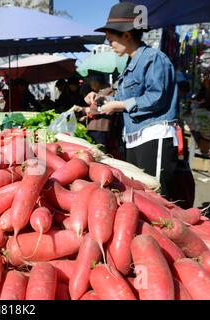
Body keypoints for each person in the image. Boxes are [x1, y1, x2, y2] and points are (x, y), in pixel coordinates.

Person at [87, 2, 179, 199]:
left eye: (111, 40)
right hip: (134, 135)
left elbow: (157, 97)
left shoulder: (153, 58)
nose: (110, 45)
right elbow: (123, 99)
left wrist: (119, 105)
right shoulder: (130, 64)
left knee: (157, 196)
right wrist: (102, 99)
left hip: (155, 135)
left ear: (126, 35)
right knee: (141, 193)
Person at [75, 72, 114, 153]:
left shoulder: (108, 92)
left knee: (101, 152)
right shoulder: (100, 92)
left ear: (96, 83)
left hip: (100, 128)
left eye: (91, 84)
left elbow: (98, 109)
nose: (91, 86)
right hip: (95, 127)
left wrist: (83, 109)